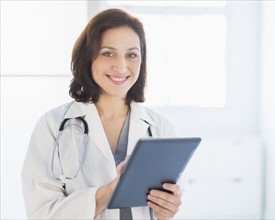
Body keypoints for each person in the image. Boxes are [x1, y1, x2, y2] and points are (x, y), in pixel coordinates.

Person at [21, 8, 182, 219]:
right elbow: (40, 213)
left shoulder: (161, 128)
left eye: (132, 54)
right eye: (108, 53)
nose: (122, 66)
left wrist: (167, 209)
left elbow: (163, 205)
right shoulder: (52, 126)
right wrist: (106, 194)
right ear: (88, 58)